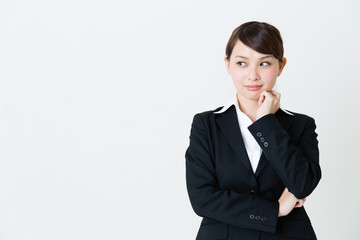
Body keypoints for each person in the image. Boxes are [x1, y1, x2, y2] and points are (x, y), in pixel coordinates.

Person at [185, 21, 321, 240]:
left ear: (281, 66)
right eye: (241, 63)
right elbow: (202, 199)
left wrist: (266, 123)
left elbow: (302, 184)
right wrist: (274, 209)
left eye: (264, 63)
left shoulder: (301, 125)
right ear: (227, 64)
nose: (253, 75)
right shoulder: (206, 125)